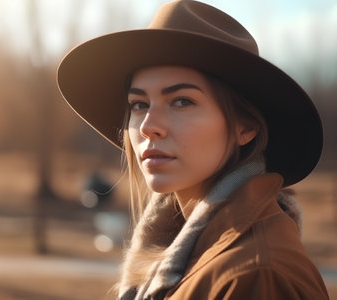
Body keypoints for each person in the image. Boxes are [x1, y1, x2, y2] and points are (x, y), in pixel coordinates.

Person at [57, 1, 330, 299]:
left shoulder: (255, 275)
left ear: (245, 127)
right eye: (139, 104)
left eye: (181, 101)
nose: (149, 126)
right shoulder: (201, 256)